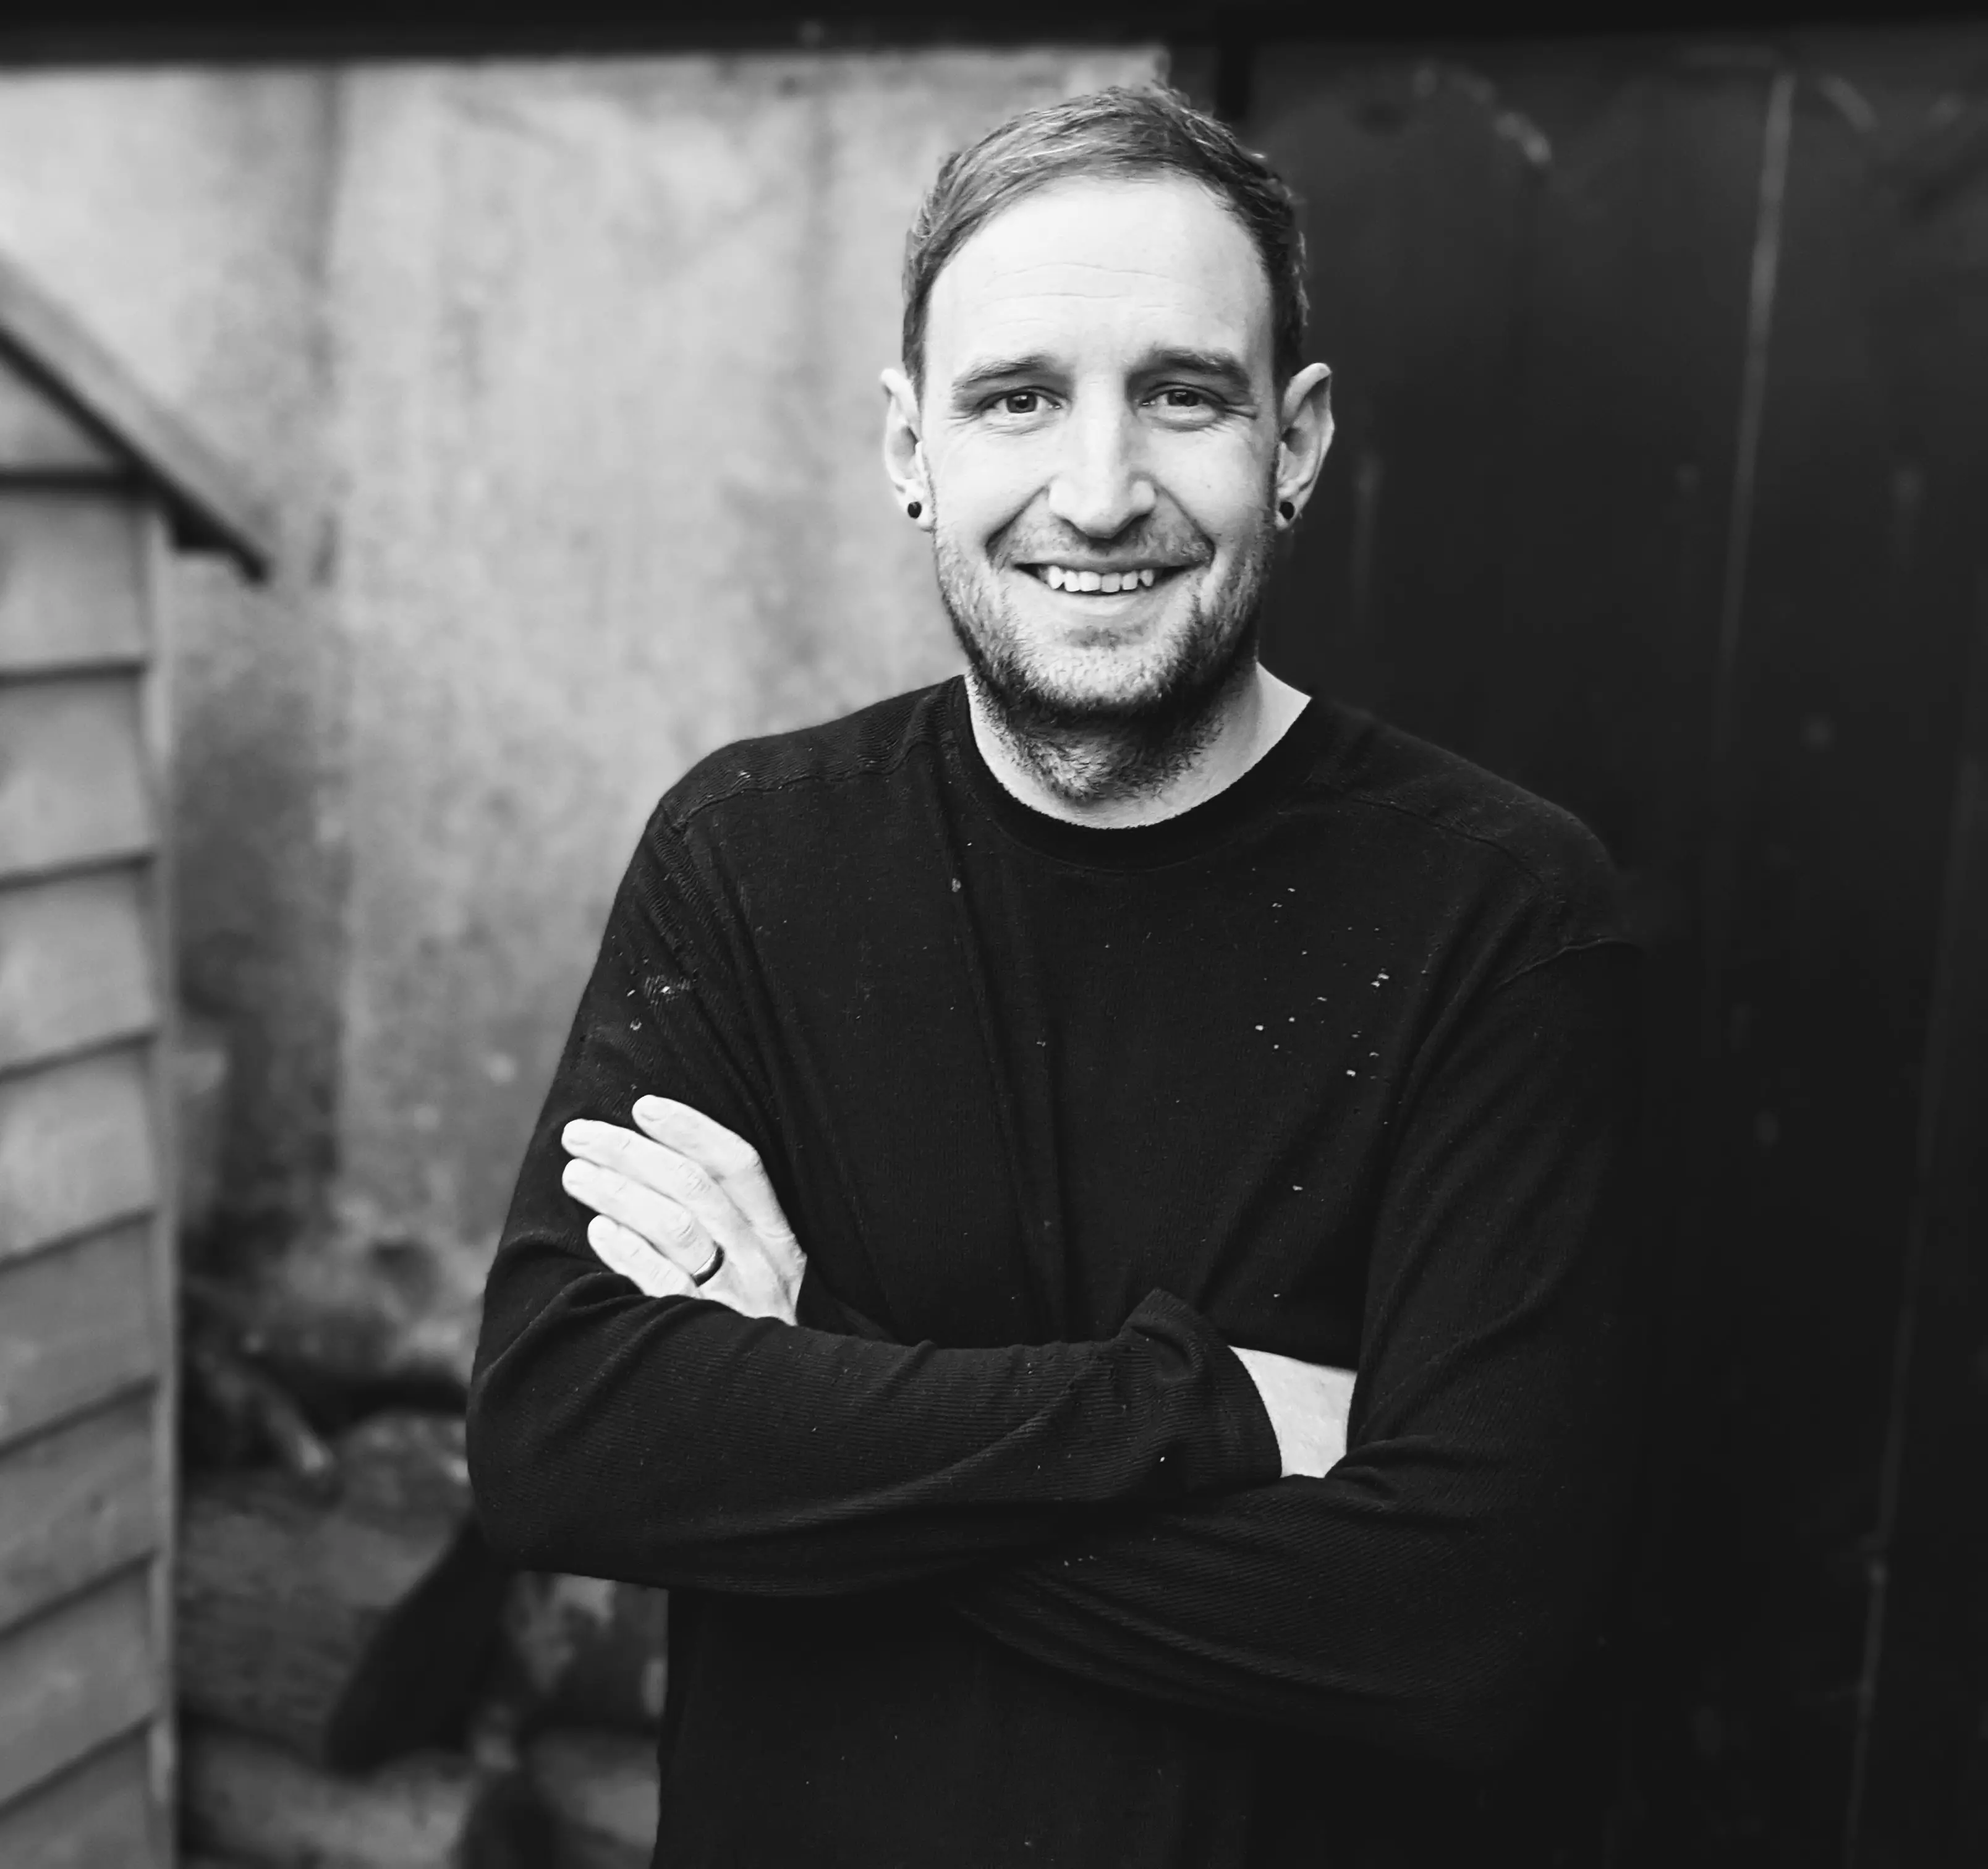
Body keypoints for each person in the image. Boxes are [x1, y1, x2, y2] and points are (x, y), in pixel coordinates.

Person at [467, 82, 1643, 1867]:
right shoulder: (751, 859)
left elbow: (1459, 1631)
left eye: (1184, 395)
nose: (1098, 495)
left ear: (1298, 441)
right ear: (908, 445)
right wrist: (1211, 1408)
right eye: (1018, 398)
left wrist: (805, 1389)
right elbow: (566, 1437)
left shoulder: (1506, 918)